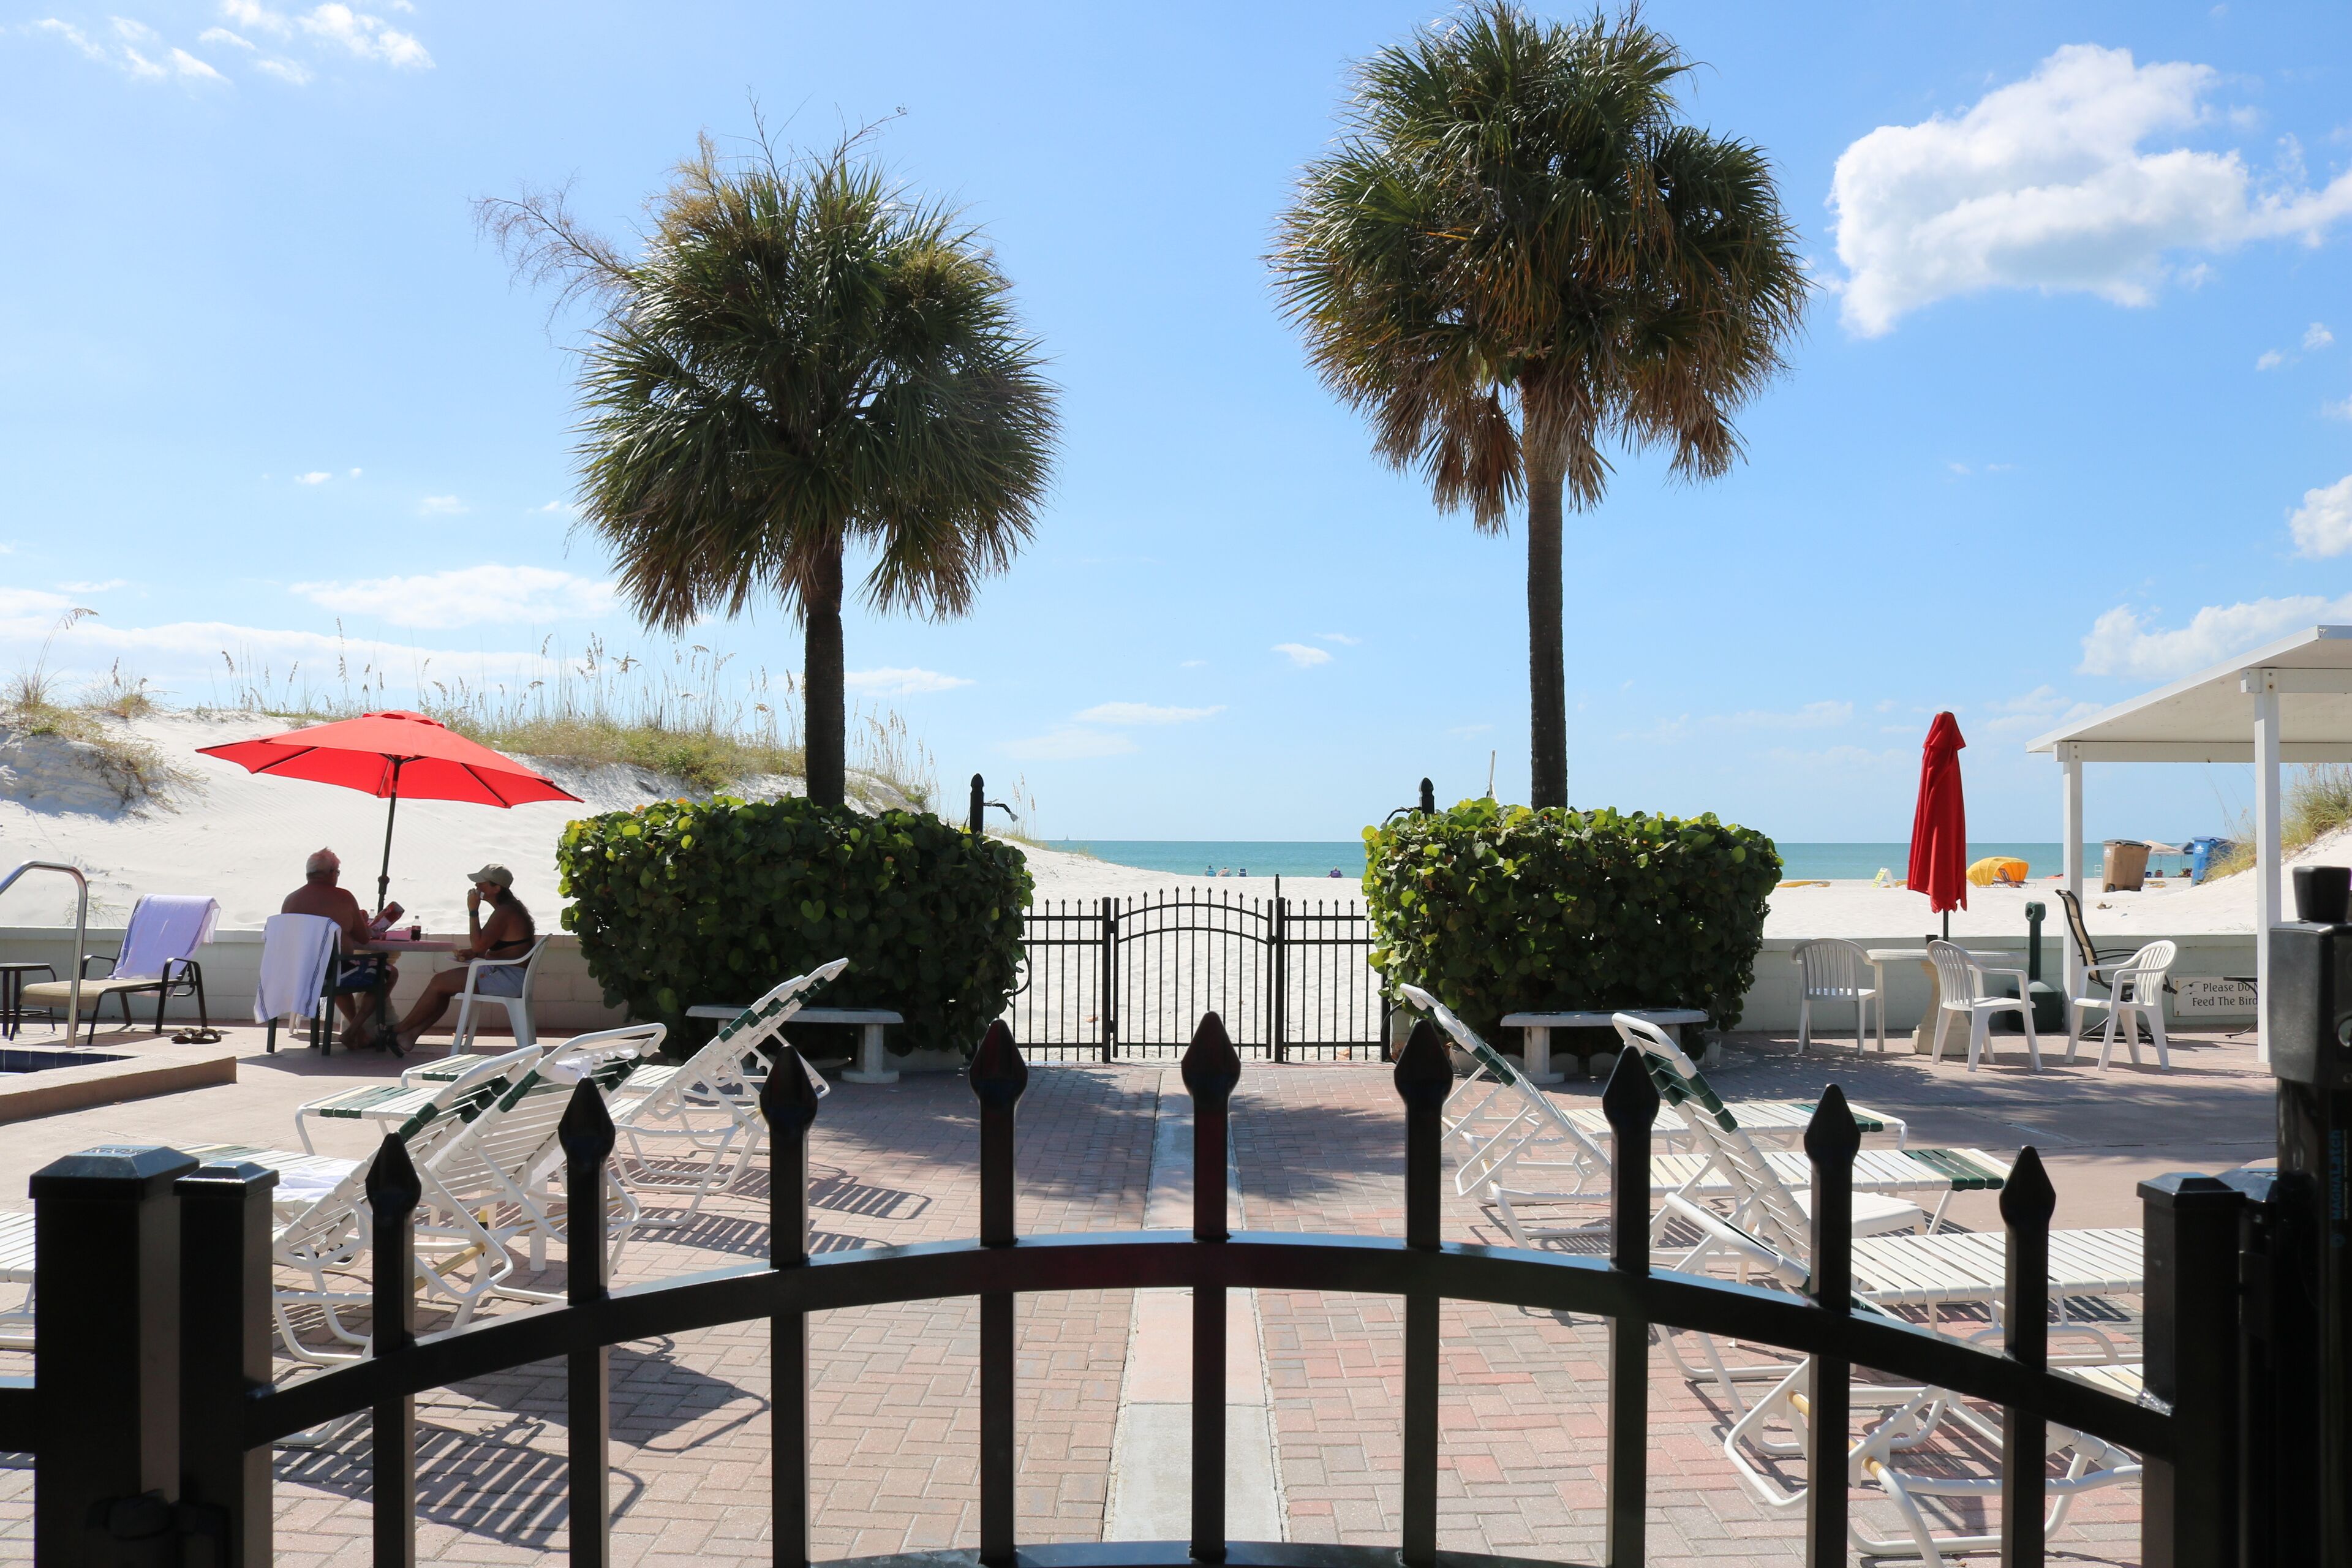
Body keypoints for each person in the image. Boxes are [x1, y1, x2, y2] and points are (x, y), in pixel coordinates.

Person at [392, 864, 537, 1051]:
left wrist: (473, 910)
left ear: (496, 888)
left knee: (438, 982)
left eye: (482, 883)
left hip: (507, 978)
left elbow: (479, 944)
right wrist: (473, 953)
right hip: (506, 974)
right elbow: (489, 947)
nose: (477, 886)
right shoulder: (509, 909)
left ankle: (398, 1030)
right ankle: (409, 1035)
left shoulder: (505, 912)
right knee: (443, 987)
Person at [282, 848, 395, 1047]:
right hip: (331, 972)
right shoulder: (343, 898)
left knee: (337, 972)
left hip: (298, 973)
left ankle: (359, 1033)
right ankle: (354, 1031)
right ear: (332, 873)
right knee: (388, 972)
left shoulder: (290, 900)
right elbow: (364, 938)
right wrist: (358, 921)